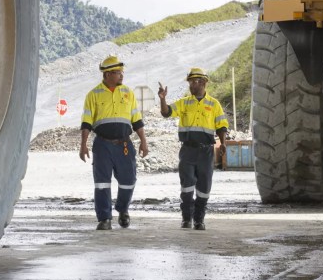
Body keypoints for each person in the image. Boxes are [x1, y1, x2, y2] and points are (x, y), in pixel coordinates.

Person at [80, 55, 149, 230]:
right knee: (101, 183)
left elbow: (137, 120)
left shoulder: (128, 93)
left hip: (124, 144)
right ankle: (104, 219)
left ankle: (123, 209)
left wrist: (143, 141)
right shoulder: (93, 95)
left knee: (129, 180)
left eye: (121, 72)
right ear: (107, 75)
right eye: (118, 72)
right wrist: (83, 144)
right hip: (102, 145)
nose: (121, 75)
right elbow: (87, 122)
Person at [158, 68, 228, 230]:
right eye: (190, 82)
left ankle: (199, 220)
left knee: (204, 187)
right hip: (187, 151)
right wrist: (163, 99)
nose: (191, 85)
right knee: (187, 186)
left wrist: (223, 143)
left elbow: (221, 125)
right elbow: (166, 112)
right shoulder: (184, 102)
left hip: (206, 152)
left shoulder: (214, 104)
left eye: (194, 82)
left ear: (203, 83)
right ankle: (186, 218)